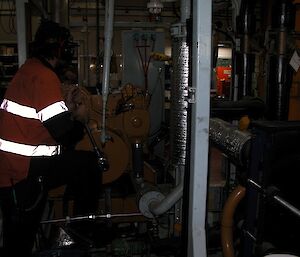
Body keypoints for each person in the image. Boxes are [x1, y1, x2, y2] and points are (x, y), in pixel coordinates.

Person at [0, 20, 107, 257]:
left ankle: (70, 231)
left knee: (16, 237)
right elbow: (65, 134)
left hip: (13, 167)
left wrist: (67, 109)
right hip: (25, 173)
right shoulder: (44, 77)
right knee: (90, 165)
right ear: (59, 49)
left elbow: (47, 119)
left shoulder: (29, 70)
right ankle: (77, 235)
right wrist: (80, 117)